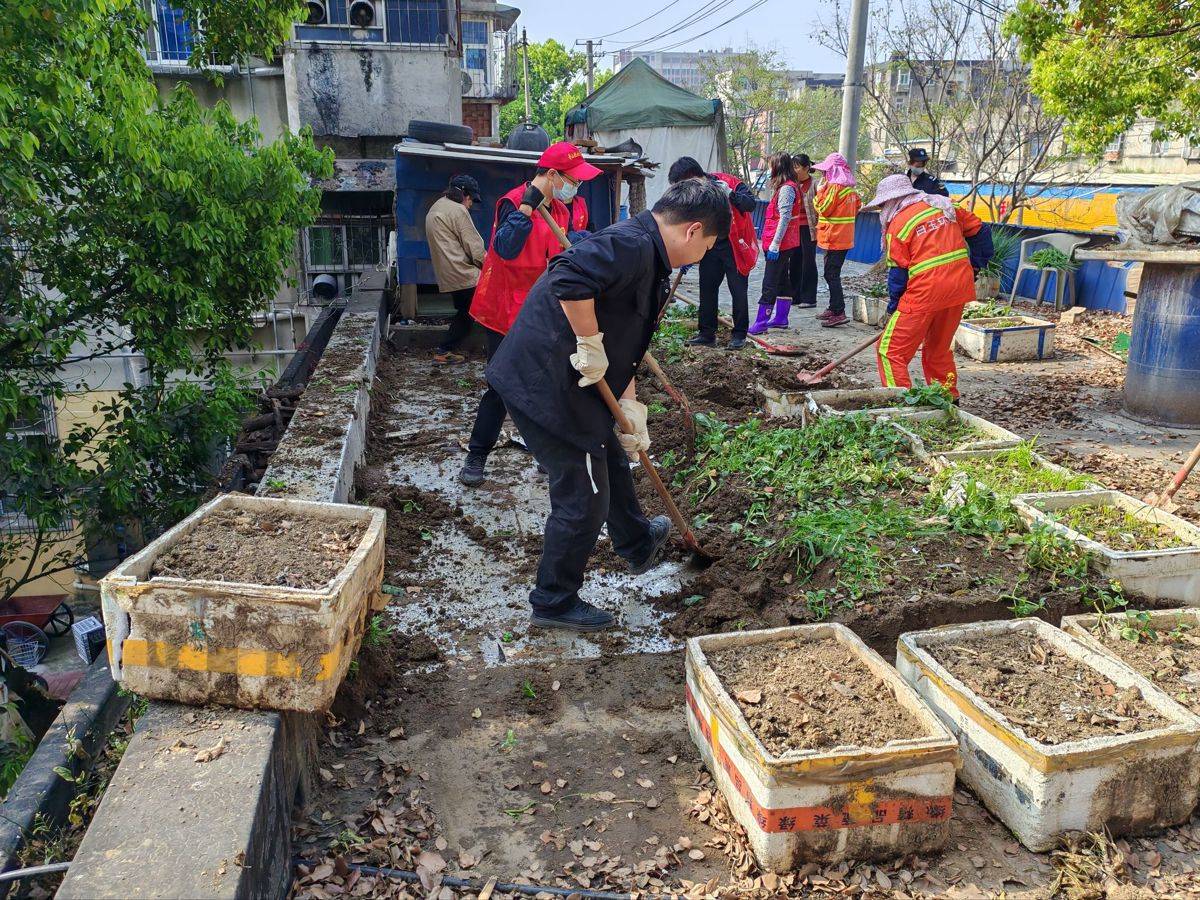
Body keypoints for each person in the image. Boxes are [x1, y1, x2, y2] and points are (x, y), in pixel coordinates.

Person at [487, 179, 732, 632]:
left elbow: (625, 342)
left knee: (614, 461)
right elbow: (567, 276)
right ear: (694, 231)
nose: (704, 255)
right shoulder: (632, 246)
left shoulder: (649, 254)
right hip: (548, 389)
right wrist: (588, 340)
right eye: (711, 244)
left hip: (571, 382)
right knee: (584, 496)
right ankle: (554, 600)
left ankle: (636, 541)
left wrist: (630, 405)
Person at [459, 141, 600, 486]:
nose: (576, 187)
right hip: (505, 309)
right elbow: (505, 248)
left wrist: (584, 241)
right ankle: (477, 456)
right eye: (572, 179)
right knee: (501, 386)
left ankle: (544, 454)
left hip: (542, 307)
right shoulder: (513, 202)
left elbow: (559, 247)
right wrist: (526, 208)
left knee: (549, 385)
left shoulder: (562, 209)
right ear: (552, 175)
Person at [863, 174, 992, 400]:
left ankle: (901, 406)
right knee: (938, 350)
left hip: (924, 291)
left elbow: (898, 276)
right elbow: (981, 233)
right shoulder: (945, 206)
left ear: (892, 200)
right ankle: (947, 400)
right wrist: (975, 267)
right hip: (958, 288)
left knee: (889, 352)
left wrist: (894, 309)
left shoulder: (899, 224)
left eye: (882, 204)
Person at [667, 156, 758, 350]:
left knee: (738, 290)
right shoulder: (692, 194)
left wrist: (731, 194)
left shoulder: (728, 182)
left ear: (692, 175)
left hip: (735, 246)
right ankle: (707, 334)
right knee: (707, 290)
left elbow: (750, 204)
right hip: (710, 247)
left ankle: (739, 335)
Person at [425, 175, 486, 353]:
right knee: (486, 309)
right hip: (465, 273)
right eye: (471, 199)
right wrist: (489, 267)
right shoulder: (458, 210)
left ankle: (446, 349)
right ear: (464, 194)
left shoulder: (436, 207)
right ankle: (445, 349)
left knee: (466, 314)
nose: (471, 204)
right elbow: (474, 247)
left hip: (449, 276)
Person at [749, 153, 802, 336]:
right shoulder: (785, 187)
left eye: (771, 165)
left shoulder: (787, 189)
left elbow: (785, 217)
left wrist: (775, 244)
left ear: (778, 167)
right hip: (783, 242)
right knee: (782, 279)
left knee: (770, 281)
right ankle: (781, 318)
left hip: (780, 243)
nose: (768, 169)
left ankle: (761, 321)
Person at [811, 152, 862, 328]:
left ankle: (839, 311)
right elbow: (857, 208)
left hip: (834, 237)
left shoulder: (834, 188)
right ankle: (833, 308)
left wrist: (818, 194)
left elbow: (823, 209)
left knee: (831, 274)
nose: (823, 175)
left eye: (826, 171)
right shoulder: (851, 190)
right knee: (832, 273)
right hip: (843, 238)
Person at [786, 153, 820, 315]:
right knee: (794, 261)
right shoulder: (791, 185)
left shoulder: (815, 185)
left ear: (807, 168)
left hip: (809, 228)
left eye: (797, 166)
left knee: (808, 261)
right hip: (794, 228)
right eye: (793, 166)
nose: (795, 169)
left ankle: (809, 297)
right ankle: (795, 295)